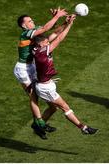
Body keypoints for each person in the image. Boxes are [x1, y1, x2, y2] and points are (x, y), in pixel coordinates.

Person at [32, 14, 98, 139]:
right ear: (41, 45)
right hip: (46, 88)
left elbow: (54, 35)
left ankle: (38, 126)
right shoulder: (43, 53)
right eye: (46, 42)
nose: (48, 43)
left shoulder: (36, 49)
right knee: (65, 107)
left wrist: (65, 22)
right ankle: (83, 127)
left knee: (53, 109)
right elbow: (59, 39)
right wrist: (70, 25)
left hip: (44, 85)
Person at [13, 8, 68, 139]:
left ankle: (37, 124)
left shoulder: (34, 30)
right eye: (30, 21)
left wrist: (65, 22)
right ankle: (40, 123)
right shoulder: (25, 34)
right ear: (24, 25)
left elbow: (52, 30)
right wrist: (57, 17)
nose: (32, 22)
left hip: (32, 66)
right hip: (23, 69)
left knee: (44, 101)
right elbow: (44, 29)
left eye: (32, 21)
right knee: (33, 95)